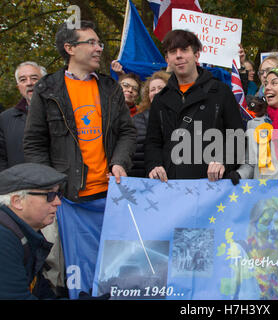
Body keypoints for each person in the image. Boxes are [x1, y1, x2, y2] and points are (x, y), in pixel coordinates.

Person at [22, 20, 136, 296]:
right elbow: (34, 143)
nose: (99, 49)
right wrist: (50, 186)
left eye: (99, 43)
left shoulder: (110, 88)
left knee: (114, 274)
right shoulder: (47, 90)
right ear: (70, 48)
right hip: (67, 201)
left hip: (109, 199)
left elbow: (126, 133)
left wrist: (119, 162)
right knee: (69, 277)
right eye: (92, 43)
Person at [144, 29, 244, 182]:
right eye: (173, 51)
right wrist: (154, 165)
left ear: (196, 55)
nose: (179, 55)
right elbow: (153, 142)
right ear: (167, 59)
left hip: (211, 186)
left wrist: (224, 161)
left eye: (184, 50)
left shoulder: (221, 92)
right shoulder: (160, 99)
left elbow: (237, 136)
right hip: (171, 185)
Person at [0, 163, 66, 299]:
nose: (58, 202)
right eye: (50, 195)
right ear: (17, 201)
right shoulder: (4, 239)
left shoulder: (26, 232)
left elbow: (41, 293)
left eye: (58, 193)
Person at [0, 62, 46, 171]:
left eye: (34, 78)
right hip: (19, 185)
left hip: (57, 183)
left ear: (45, 82)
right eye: (23, 80)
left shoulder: (60, 113)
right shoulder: (5, 119)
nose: (29, 83)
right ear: (18, 87)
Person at [130, 71, 170, 177]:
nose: (156, 92)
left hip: (174, 181)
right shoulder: (136, 121)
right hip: (145, 181)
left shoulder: (182, 118)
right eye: (152, 89)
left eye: (160, 88)